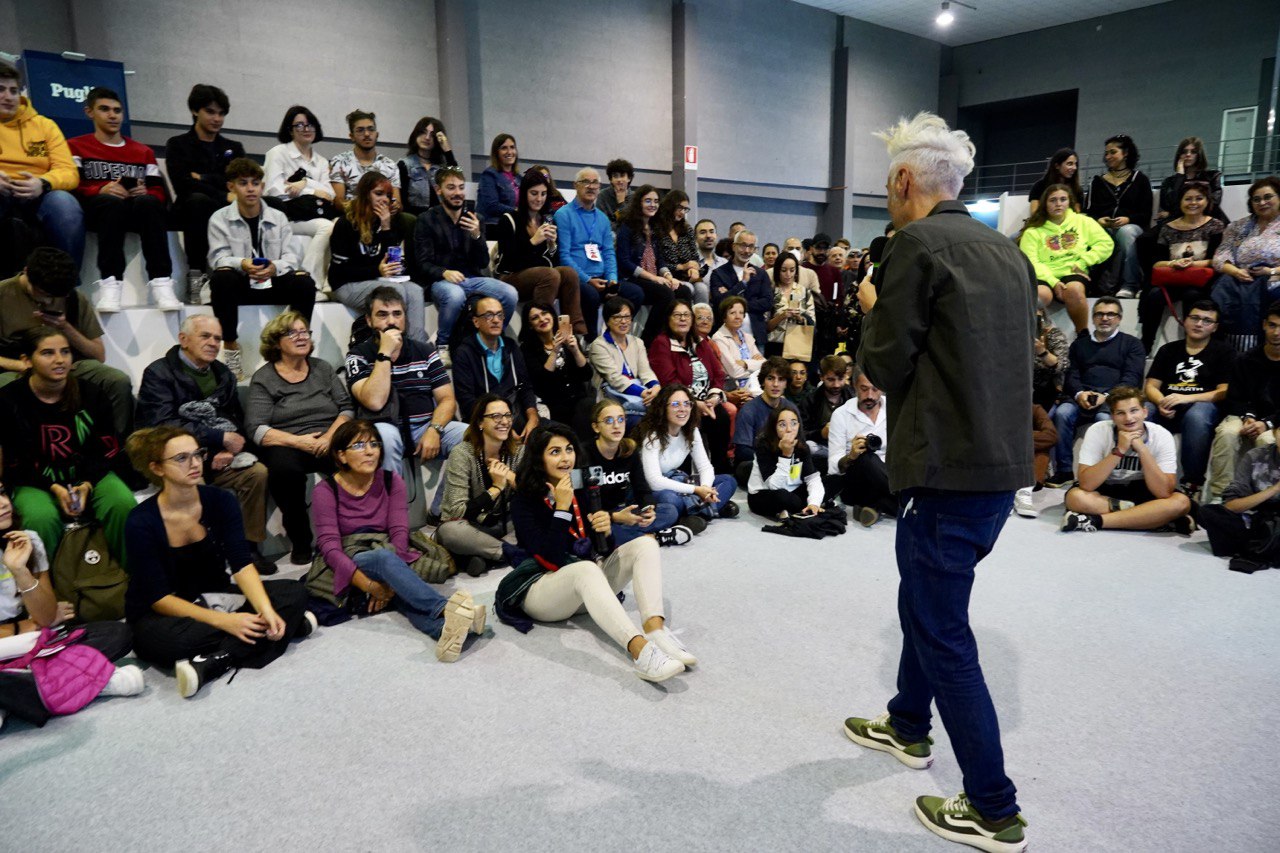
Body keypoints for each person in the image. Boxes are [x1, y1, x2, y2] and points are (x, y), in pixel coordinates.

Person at [846, 112, 1032, 850]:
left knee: (942, 626)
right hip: (996, 468)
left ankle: (993, 804)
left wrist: (870, 307)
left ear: (902, 180)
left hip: (943, 467)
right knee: (920, 595)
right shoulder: (1008, 252)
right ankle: (906, 724)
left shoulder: (914, 244)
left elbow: (884, 366)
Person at [123, 426, 315, 698]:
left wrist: (265, 609)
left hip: (215, 596)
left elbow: (242, 564)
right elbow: (158, 598)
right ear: (157, 468)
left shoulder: (221, 500)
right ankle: (288, 627)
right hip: (164, 611)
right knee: (164, 643)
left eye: (197, 454)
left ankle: (218, 659)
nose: (195, 463)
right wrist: (225, 622)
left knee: (294, 592)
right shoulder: (141, 521)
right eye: (181, 458)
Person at [498, 422, 693, 682]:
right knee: (586, 569)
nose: (565, 458)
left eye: (569, 449)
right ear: (538, 459)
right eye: (554, 452)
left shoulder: (580, 486)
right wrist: (562, 509)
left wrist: (606, 529)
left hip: (583, 586)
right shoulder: (524, 499)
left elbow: (596, 550)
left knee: (646, 544)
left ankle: (656, 631)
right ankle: (641, 652)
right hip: (541, 590)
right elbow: (549, 558)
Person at [312, 419, 483, 660]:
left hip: (387, 550)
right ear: (341, 455)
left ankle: (445, 630)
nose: (370, 451)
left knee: (398, 587)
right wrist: (369, 585)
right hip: (349, 556)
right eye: (359, 445)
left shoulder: (392, 481)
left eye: (374, 444)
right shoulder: (325, 491)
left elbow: (399, 532)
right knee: (383, 559)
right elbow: (330, 546)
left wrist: (389, 583)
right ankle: (445, 608)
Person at [135, 315, 275, 574]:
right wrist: (215, 443)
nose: (213, 343)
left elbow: (233, 419)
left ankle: (247, 549)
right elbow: (162, 426)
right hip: (174, 461)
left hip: (214, 456)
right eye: (205, 336)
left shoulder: (223, 374)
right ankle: (200, 559)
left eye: (218, 338)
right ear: (183, 339)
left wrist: (228, 451)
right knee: (191, 481)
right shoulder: (159, 373)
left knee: (256, 474)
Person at [0, 484, 144, 725]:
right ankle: (92, 681)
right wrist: (19, 628)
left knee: (116, 633)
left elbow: (45, 618)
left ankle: (16, 691)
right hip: (18, 640)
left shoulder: (27, 540)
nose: (3, 503)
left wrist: (20, 571)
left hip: (33, 643)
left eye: (2, 493)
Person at [0, 327, 136, 561]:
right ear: (26, 360)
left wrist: (86, 485)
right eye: (48, 353)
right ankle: (46, 590)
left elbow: (106, 450)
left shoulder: (92, 395)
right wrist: (54, 487)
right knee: (39, 518)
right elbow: (14, 462)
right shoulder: (9, 400)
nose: (59, 359)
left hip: (89, 475)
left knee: (122, 503)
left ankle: (136, 582)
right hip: (33, 480)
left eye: (65, 351)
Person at [344, 287, 466, 514]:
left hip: (424, 428)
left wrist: (435, 429)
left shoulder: (425, 350)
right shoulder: (358, 356)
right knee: (387, 436)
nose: (391, 321)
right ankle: (394, 519)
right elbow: (373, 401)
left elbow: (448, 400)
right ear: (369, 321)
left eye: (397, 314)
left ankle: (442, 510)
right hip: (380, 429)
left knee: (471, 436)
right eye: (382, 315)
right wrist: (384, 355)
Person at [244, 311, 352, 564]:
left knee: (358, 454)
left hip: (329, 436)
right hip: (287, 442)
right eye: (292, 332)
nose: (301, 337)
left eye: (305, 331)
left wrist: (328, 437)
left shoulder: (322, 368)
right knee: (283, 470)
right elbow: (256, 428)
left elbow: (346, 407)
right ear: (275, 341)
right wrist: (301, 442)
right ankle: (301, 541)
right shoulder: (264, 378)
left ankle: (357, 531)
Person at [0, 247, 134, 436]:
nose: (48, 302)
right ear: (27, 272)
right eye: (43, 293)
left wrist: (66, 327)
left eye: (54, 297)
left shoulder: (74, 298)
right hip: (17, 366)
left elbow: (98, 354)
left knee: (117, 380)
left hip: (67, 362)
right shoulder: (3, 294)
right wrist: (23, 365)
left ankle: (116, 449)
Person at [68, 86, 179, 312]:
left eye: (117, 110)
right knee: (110, 203)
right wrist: (100, 189)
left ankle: (162, 282)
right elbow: (72, 185)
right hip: (99, 210)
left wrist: (145, 192)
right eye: (104, 109)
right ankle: (111, 283)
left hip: (135, 210)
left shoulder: (142, 151)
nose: (112, 115)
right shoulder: (75, 146)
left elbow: (159, 191)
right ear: (89, 112)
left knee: (150, 202)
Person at [207, 157, 316, 381]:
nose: (250, 189)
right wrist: (242, 264)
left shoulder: (278, 217)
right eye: (243, 183)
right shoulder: (219, 219)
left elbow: (292, 257)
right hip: (240, 282)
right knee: (221, 278)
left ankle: (296, 342)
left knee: (304, 282)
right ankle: (230, 346)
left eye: (255, 183)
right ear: (231, 187)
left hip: (271, 280)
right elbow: (218, 258)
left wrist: (275, 267)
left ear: (262, 187)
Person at [414, 165, 518, 362]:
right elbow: (422, 263)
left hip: (472, 278)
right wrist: (444, 272)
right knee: (455, 295)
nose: (458, 193)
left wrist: (477, 235)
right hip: (441, 281)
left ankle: (493, 337)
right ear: (439, 190)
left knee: (510, 294)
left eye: (461, 187)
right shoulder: (426, 220)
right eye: (451, 188)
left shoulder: (475, 218)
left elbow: (482, 262)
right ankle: (442, 344)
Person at [1060, 386, 1194, 534]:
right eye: (1120, 413)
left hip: (1144, 489)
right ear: (1112, 416)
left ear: (1145, 412)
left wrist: (1142, 450)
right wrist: (1119, 450)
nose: (1129, 418)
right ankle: (1152, 518)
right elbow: (1086, 484)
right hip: (1106, 490)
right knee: (1076, 498)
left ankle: (1095, 521)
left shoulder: (1161, 435)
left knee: (1181, 503)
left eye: (1134, 411)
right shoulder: (1098, 430)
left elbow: (1163, 492)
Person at [1048, 297, 1145, 487]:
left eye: (1111, 314)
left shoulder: (1132, 344)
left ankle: (1103, 475)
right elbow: (1071, 375)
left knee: (1104, 421)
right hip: (1080, 397)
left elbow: (1132, 378)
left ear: (1119, 318)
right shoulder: (1079, 344)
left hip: (1114, 400)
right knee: (1062, 413)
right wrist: (1079, 394)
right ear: (1093, 318)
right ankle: (1064, 471)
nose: (1105, 318)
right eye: (1100, 314)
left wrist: (1108, 396)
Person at [0, 61, 84, 270]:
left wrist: (43, 183)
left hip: (38, 194)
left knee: (66, 205)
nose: (8, 96)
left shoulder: (44, 125)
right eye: (0, 89)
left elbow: (68, 171)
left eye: (13, 90)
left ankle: (66, 285)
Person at [1144, 300, 1233, 493]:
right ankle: (1141, 475)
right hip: (1167, 407)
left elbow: (1223, 391)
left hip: (1202, 408)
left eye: (1206, 320)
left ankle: (1192, 483)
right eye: (1194, 318)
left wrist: (1187, 398)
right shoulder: (1168, 350)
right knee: (1144, 412)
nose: (1199, 324)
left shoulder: (1224, 351)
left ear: (1215, 327)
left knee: (1198, 415)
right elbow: (1151, 386)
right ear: (1185, 321)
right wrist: (1161, 401)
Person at [165, 84, 245, 297]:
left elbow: (239, 180)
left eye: (221, 113)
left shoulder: (233, 147)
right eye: (210, 112)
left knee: (266, 202)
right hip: (190, 207)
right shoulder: (178, 144)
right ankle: (196, 274)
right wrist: (222, 191)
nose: (216, 118)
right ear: (194, 111)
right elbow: (182, 184)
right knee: (198, 201)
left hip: (226, 203)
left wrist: (203, 177)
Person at [328, 171, 426, 342]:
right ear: (365, 195)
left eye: (388, 195)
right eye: (378, 194)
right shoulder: (345, 224)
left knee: (416, 290)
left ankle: (416, 346)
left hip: (376, 279)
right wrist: (377, 270)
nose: (385, 200)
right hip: (346, 284)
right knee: (396, 291)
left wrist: (386, 227)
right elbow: (341, 271)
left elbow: (389, 261)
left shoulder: (384, 222)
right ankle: (394, 342)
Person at [584, 399, 693, 547]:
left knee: (669, 511)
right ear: (596, 427)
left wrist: (648, 508)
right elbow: (583, 504)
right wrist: (615, 517)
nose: (617, 425)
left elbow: (642, 489)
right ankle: (656, 538)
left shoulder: (629, 449)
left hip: (623, 509)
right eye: (609, 420)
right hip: (600, 517)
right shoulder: (583, 455)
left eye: (621, 419)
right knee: (600, 533)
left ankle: (630, 537)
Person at [494, 168, 585, 335]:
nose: (539, 199)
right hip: (509, 276)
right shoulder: (509, 219)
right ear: (524, 194)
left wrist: (551, 246)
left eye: (543, 194)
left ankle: (574, 332)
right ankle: (538, 333)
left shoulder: (545, 220)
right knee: (550, 275)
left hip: (537, 276)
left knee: (569, 273)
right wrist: (533, 241)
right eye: (534, 193)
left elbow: (550, 262)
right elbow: (509, 261)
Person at [554, 167, 641, 339]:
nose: (591, 186)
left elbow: (608, 252)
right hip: (580, 281)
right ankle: (591, 341)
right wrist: (587, 279)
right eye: (585, 181)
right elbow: (564, 256)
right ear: (575, 186)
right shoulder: (563, 214)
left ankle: (610, 338)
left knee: (635, 293)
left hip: (603, 279)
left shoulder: (602, 218)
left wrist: (612, 280)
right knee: (591, 295)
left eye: (595, 182)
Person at [647, 298, 731, 473]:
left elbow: (718, 373)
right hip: (678, 404)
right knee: (686, 419)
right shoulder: (662, 343)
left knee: (721, 417)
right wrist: (694, 403)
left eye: (686, 315)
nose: (683, 319)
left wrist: (713, 397)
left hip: (705, 402)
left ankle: (720, 473)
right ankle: (683, 478)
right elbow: (669, 382)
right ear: (668, 319)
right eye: (677, 315)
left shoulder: (699, 342)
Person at [637, 384, 739, 525]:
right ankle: (709, 510)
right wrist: (697, 490)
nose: (682, 409)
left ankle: (694, 515)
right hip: (652, 490)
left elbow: (705, 467)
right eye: (675, 404)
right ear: (662, 407)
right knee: (670, 500)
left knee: (728, 481)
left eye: (687, 404)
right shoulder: (652, 434)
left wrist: (706, 488)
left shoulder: (691, 430)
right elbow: (654, 481)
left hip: (679, 481)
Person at [1141, 181, 1226, 350]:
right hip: (1173, 278)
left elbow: (1216, 259)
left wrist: (1191, 264)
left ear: (1207, 201)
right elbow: (1157, 262)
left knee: (1192, 295)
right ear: (1180, 202)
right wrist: (1175, 263)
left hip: (1201, 281)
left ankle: (1192, 344)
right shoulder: (1167, 228)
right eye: (1188, 199)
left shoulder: (1215, 225)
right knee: (1153, 296)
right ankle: (1145, 346)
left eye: (1198, 198)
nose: (1193, 203)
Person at [1207, 302, 1280, 500]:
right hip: (1246, 413)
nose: (1277, 332)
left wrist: (1267, 423)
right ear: (1264, 325)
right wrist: (1248, 416)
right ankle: (1221, 496)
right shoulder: (1245, 359)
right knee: (1227, 433)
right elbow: (1234, 397)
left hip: (1276, 421)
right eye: (1272, 325)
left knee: (1268, 440)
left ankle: (1263, 498)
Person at [1019, 183, 1114, 333]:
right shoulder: (1033, 230)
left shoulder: (1084, 222)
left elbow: (1106, 244)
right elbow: (1030, 261)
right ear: (1045, 203)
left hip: (1073, 272)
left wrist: (1084, 260)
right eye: (1053, 200)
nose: (1058, 204)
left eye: (1063, 199)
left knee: (1075, 290)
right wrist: (1053, 281)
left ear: (1069, 201)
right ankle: (1034, 339)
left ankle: (1082, 335)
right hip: (1044, 275)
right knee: (1040, 295)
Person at [450, 296, 539, 439]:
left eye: (499, 315)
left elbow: (525, 386)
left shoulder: (511, 347)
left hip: (516, 415)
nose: (496, 320)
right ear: (476, 321)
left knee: (552, 435)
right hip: (484, 421)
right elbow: (467, 402)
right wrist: (502, 428)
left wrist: (533, 416)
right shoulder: (464, 353)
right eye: (489, 315)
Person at [1210, 176, 1280, 351]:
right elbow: (1220, 256)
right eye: (1256, 199)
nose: (1262, 202)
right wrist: (1235, 271)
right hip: (1240, 278)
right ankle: (1231, 352)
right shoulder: (1238, 226)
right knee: (1219, 297)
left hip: (1274, 278)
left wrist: (1270, 272)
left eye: (1268, 197)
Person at [1199, 423, 1280, 572]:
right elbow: (1231, 505)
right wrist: (1274, 489)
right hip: (1257, 518)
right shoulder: (1256, 456)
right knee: (1209, 512)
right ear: (1275, 432)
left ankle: (1256, 547)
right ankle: (1262, 547)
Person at [616, 184, 688, 342]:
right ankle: (648, 341)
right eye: (648, 201)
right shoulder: (627, 227)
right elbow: (624, 262)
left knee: (683, 291)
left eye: (656, 201)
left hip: (652, 278)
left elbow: (659, 259)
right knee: (665, 293)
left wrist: (668, 276)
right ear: (639, 203)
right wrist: (654, 278)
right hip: (632, 278)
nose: (653, 204)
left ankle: (675, 339)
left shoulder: (656, 228)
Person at [826, 364, 895, 526]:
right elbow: (833, 467)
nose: (869, 395)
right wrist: (851, 456)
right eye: (864, 389)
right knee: (866, 458)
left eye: (875, 389)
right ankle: (905, 503)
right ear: (854, 385)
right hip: (856, 481)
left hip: (887, 474)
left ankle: (874, 506)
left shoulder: (893, 408)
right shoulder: (841, 415)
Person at [1085, 134, 1152, 298]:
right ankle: (1096, 285)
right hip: (1103, 227)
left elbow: (1146, 213)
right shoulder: (1097, 182)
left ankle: (1130, 285)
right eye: (1106, 153)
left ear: (1126, 153)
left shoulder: (1140, 179)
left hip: (1132, 226)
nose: (1108, 157)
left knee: (1125, 232)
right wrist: (1099, 221)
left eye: (1112, 152)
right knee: (1100, 236)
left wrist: (1128, 219)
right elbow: (1089, 213)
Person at [518, 301, 593, 435]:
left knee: (587, 405)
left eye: (544, 313)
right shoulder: (527, 349)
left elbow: (587, 375)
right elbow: (542, 384)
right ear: (530, 325)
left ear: (552, 315)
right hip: (553, 405)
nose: (542, 319)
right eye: (535, 318)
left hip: (578, 401)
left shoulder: (569, 339)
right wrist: (555, 351)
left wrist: (575, 350)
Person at [587, 296, 659, 426]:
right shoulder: (599, 345)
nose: (624, 321)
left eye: (627, 317)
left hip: (640, 396)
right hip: (612, 399)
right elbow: (614, 378)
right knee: (640, 421)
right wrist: (643, 392)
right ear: (607, 320)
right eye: (618, 317)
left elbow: (645, 371)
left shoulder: (637, 342)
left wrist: (655, 387)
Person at [747, 406, 824, 519]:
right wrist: (786, 455)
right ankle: (799, 506)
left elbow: (812, 478)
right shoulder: (763, 445)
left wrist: (814, 502)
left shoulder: (802, 446)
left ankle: (807, 507)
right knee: (784, 497)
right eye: (782, 425)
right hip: (765, 494)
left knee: (835, 480)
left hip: (793, 490)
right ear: (774, 428)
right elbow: (774, 486)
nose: (789, 429)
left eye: (794, 423)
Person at [262, 105, 334, 223]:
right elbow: (274, 191)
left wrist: (305, 183)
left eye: (310, 124)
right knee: (326, 228)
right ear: (290, 130)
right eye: (300, 125)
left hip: (317, 213)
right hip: (286, 217)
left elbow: (330, 194)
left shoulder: (322, 161)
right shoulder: (277, 153)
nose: (306, 129)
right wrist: (312, 191)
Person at [733, 357, 798, 482]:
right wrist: (773, 458)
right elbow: (742, 451)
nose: (775, 384)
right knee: (747, 467)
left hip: (785, 460)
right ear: (762, 382)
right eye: (770, 378)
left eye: (781, 379)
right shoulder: (749, 410)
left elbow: (800, 441)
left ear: (786, 383)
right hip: (756, 463)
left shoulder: (791, 408)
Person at [329, 110, 402, 213]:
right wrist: (367, 210)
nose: (367, 134)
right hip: (352, 218)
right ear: (352, 136)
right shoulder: (339, 162)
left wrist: (395, 206)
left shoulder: (390, 165)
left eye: (371, 129)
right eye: (360, 130)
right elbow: (338, 202)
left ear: (377, 134)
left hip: (383, 218)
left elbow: (397, 201)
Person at [709, 229, 772, 345]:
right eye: (743, 246)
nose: (747, 251)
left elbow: (767, 302)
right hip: (726, 338)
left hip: (756, 337)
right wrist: (742, 283)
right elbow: (719, 303)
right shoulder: (719, 273)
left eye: (751, 247)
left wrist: (732, 301)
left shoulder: (761, 274)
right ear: (734, 246)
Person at [799, 354, 854, 470]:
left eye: (840, 379)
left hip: (849, 447)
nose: (836, 385)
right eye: (831, 380)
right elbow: (800, 433)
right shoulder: (810, 401)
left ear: (846, 376)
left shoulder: (853, 397)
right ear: (821, 377)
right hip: (822, 446)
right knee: (807, 447)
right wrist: (821, 433)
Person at [398, 116, 459, 215]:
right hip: (414, 221)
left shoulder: (441, 167)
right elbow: (402, 202)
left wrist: (447, 150)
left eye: (432, 135)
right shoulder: (404, 165)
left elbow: (457, 178)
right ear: (416, 134)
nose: (427, 138)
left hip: (439, 222)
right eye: (423, 132)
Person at [1156, 137, 1223, 223]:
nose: (1188, 155)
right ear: (1179, 155)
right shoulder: (1169, 182)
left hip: (1207, 222)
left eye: (1193, 152)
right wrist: (1180, 176)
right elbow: (1170, 205)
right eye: (1184, 152)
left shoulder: (1213, 176)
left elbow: (1213, 205)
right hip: (1177, 223)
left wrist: (1171, 213)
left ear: (1199, 155)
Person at [711, 295, 765, 398]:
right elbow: (734, 372)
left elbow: (765, 365)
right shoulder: (719, 338)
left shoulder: (747, 337)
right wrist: (755, 364)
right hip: (734, 388)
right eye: (732, 313)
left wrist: (745, 363)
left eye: (741, 313)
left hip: (755, 385)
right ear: (724, 316)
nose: (738, 317)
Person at [765, 253, 815, 359]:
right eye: (784, 270)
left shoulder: (805, 292)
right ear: (777, 270)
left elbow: (812, 324)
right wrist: (782, 316)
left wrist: (800, 318)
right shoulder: (770, 292)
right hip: (775, 346)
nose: (788, 274)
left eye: (792, 270)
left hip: (798, 344)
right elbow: (765, 327)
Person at [656, 190, 702, 299]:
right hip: (665, 276)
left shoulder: (687, 229)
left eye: (685, 209)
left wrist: (694, 268)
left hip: (687, 276)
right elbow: (657, 261)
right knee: (688, 289)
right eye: (679, 208)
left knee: (702, 289)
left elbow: (695, 257)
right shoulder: (656, 229)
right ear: (670, 206)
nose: (682, 212)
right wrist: (682, 266)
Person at [1032, 306, 1069, 414]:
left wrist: (1042, 352)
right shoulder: (1014, 335)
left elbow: (1062, 366)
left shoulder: (1053, 334)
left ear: (1042, 315)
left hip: (1046, 391)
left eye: (1036, 317)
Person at [477, 133, 520, 225]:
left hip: (513, 225)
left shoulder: (519, 178)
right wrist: (517, 211)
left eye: (512, 147)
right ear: (496, 152)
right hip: (493, 226)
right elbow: (492, 206)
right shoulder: (489, 175)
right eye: (504, 148)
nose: (509, 152)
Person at [1026, 148, 1082, 216]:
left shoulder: (1077, 189)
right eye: (1070, 164)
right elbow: (1034, 213)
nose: (1074, 167)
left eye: (1075, 164)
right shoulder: (1039, 186)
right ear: (1057, 166)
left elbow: (1077, 213)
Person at [597, 158, 633, 225]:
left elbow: (631, 225)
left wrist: (621, 203)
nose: (619, 179)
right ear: (611, 179)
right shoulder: (602, 195)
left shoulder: (635, 197)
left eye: (622, 176)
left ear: (629, 178)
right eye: (615, 176)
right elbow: (601, 223)